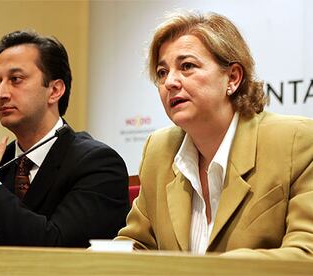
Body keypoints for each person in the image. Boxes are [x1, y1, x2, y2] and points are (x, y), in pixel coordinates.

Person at [115, 10, 313, 259]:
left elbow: (306, 254)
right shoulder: (159, 149)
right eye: (162, 72)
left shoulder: (297, 142)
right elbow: (138, 243)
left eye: (187, 66)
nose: (170, 82)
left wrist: (210, 270)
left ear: (232, 78)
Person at [0, 30, 129, 247]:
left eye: (15, 79)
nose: (1, 93)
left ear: (55, 90)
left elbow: (56, 248)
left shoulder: (97, 163)